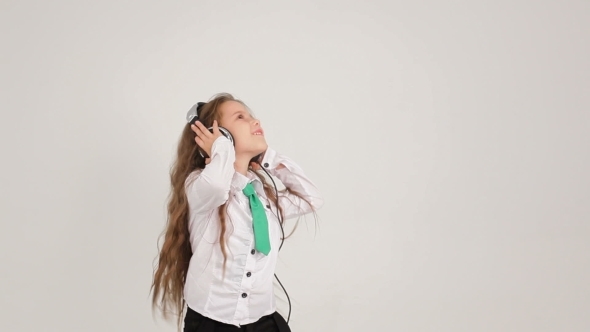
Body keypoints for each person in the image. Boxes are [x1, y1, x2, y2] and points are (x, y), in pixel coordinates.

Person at [151, 93, 324, 331]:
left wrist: (269, 159)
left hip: (263, 320)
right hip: (212, 322)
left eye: (252, 116)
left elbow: (312, 198)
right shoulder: (199, 186)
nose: (255, 121)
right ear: (219, 134)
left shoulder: (264, 196)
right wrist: (221, 146)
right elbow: (216, 185)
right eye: (241, 117)